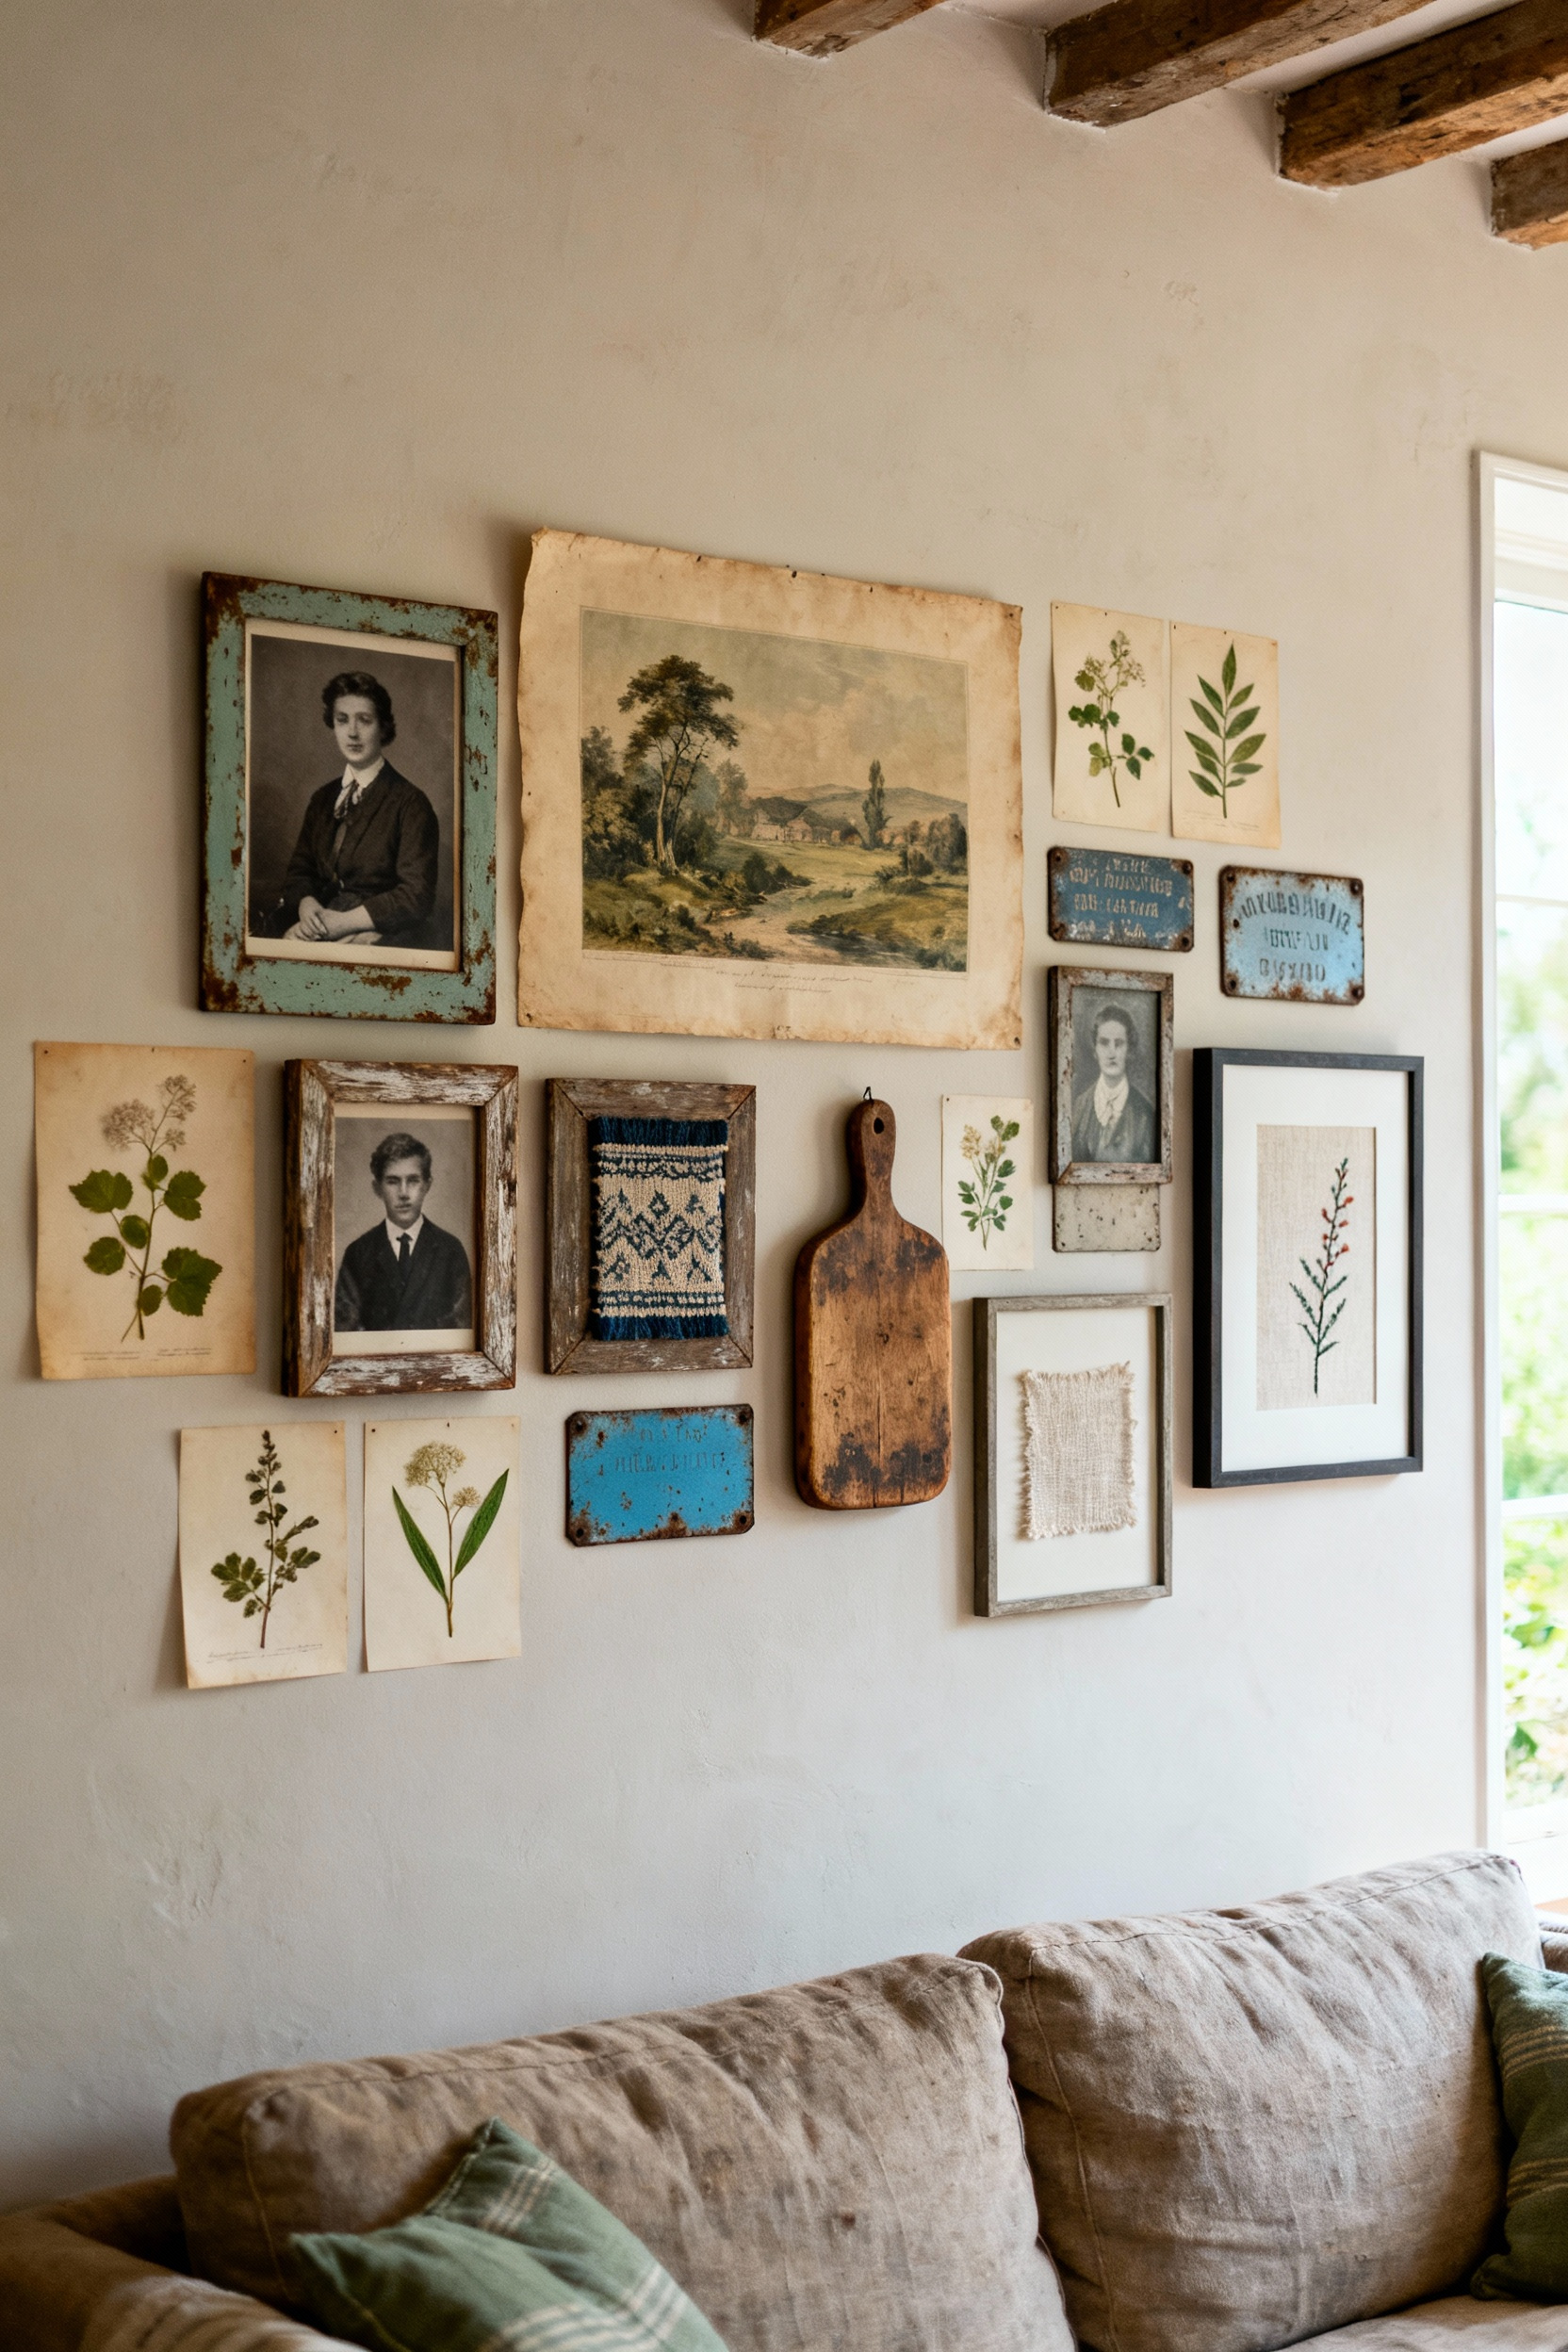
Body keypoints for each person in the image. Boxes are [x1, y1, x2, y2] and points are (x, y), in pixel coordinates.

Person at [270, 672, 440, 949]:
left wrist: (347, 923)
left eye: (364, 720)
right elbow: (300, 870)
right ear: (333, 724)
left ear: (383, 727)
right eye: (342, 720)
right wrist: (306, 903)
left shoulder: (411, 804)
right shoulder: (322, 799)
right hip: (321, 924)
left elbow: (416, 895)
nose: (352, 732)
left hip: (379, 933)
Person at [335, 1132, 472, 1331]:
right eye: (393, 1181)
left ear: (427, 1185)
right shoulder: (358, 1253)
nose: (404, 1193)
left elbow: (463, 1329)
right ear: (377, 1188)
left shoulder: (450, 1251)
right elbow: (345, 1331)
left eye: (413, 1180)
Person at [1070, 1003, 1157, 1165]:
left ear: (1129, 1049)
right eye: (1104, 1043)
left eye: (1119, 1043)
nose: (1111, 1053)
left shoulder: (1145, 1114)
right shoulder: (1079, 1106)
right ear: (1095, 1049)